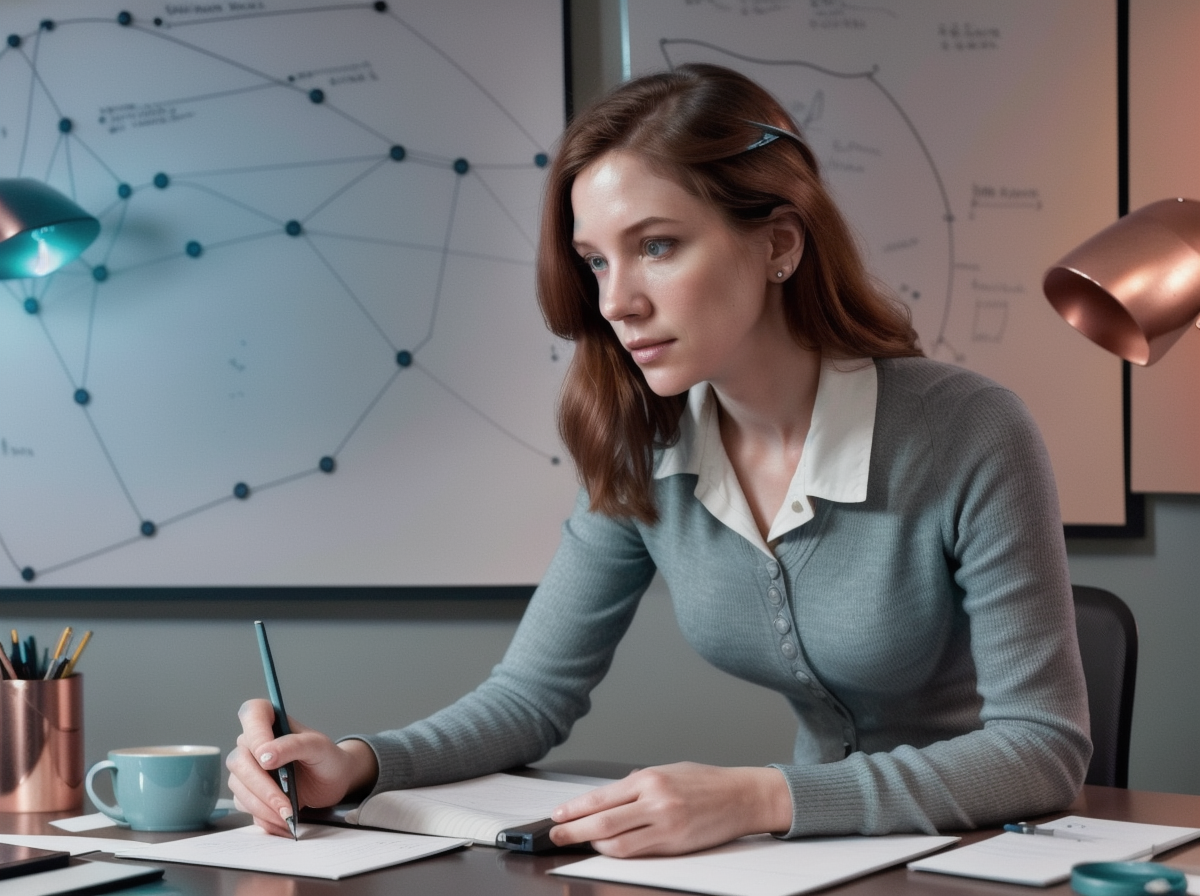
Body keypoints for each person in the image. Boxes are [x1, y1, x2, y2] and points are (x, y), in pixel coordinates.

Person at [227, 63, 1091, 858]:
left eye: (658, 246)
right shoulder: (647, 445)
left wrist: (762, 797)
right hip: (814, 860)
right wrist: (354, 764)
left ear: (780, 243)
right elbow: (531, 698)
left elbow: (1042, 750)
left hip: (987, 858)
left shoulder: (971, 431)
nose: (617, 301)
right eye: (596, 261)